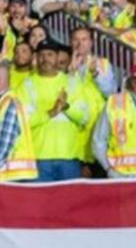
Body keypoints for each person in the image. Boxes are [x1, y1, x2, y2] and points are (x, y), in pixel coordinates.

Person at [20, 39, 92, 181]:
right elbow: (21, 121)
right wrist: (50, 113)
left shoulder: (72, 82)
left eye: (50, 54)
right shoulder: (26, 85)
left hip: (69, 156)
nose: (45, 59)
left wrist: (66, 107)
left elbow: (85, 117)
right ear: (36, 58)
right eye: (41, 55)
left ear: (57, 57)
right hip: (38, 156)